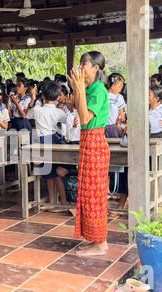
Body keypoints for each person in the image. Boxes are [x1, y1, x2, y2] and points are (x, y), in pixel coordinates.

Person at [67, 51, 110, 257]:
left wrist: (79, 90)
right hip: (87, 142)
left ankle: (100, 243)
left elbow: (84, 118)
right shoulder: (91, 88)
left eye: (85, 64)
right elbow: (78, 108)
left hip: (94, 142)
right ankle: (95, 239)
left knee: (94, 195)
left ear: (96, 68)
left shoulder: (98, 90)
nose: (81, 67)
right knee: (88, 193)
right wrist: (77, 90)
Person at [28, 80, 70, 212]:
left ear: (43, 96)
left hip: (41, 141)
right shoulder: (59, 112)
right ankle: (61, 202)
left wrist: (33, 98)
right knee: (54, 173)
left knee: (48, 174)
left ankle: (55, 201)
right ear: (58, 96)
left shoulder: (37, 110)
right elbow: (67, 120)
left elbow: (27, 114)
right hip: (54, 140)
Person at [106, 73, 127, 138]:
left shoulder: (119, 97)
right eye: (120, 86)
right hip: (102, 126)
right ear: (112, 86)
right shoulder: (104, 94)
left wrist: (121, 118)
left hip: (114, 125)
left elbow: (121, 112)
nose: (121, 89)